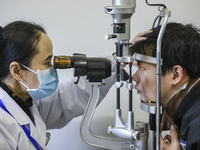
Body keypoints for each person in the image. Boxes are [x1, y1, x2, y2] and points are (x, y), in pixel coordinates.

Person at [0, 21, 117, 150]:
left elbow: (66, 99)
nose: (53, 67)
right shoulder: (2, 123)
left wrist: (115, 59)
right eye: (47, 62)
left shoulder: (26, 101)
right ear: (16, 71)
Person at [130, 22, 200, 150]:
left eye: (141, 67)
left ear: (175, 74)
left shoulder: (197, 123)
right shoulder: (187, 111)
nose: (134, 77)